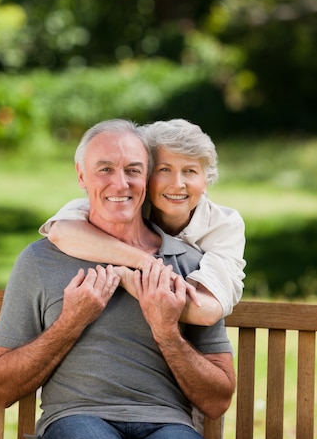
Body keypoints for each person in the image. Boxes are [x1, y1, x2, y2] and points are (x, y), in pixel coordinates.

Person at [0, 118, 235, 439]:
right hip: (77, 419)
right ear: (81, 175)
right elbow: (1, 387)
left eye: (133, 170)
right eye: (105, 169)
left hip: (167, 425)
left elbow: (217, 399)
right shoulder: (41, 261)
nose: (121, 184)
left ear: (147, 177)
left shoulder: (190, 267)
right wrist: (71, 322)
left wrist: (166, 331)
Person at [40, 118, 246, 322]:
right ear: (145, 174)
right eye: (164, 170)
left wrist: (130, 280)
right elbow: (61, 232)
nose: (177, 184)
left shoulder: (224, 226)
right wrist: (146, 262)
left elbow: (206, 311)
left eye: (190, 171)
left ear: (206, 180)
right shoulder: (126, 202)